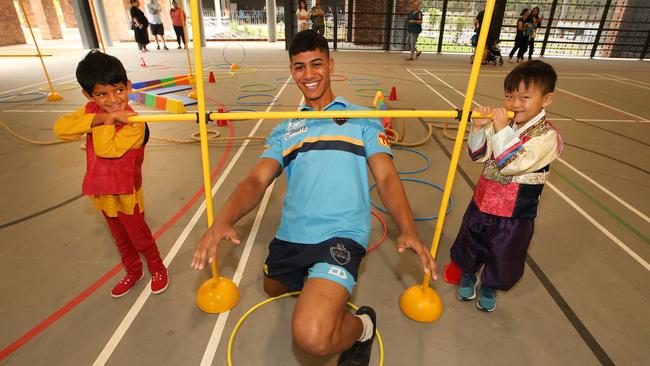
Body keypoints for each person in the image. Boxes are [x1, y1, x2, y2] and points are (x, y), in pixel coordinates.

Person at [191, 30, 436, 365]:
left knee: (312, 335)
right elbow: (256, 179)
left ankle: (363, 327)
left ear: (331, 65)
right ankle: (316, 281)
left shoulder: (362, 119)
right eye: (299, 67)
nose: (309, 75)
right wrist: (222, 220)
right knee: (272, 287)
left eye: (316, 64)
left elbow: (386, 176)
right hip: (292, 235)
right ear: (292, 71)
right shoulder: (284, 128)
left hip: (341, 235)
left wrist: (407, 227)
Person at [54, 51, 169, 298]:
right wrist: (102, 117)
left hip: (127, 193)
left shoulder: (135, 124)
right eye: (101, 94)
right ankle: (133, 271)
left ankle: (158, 268)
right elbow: (61, 129)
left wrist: (107, 121)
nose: (113, 99)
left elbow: (108, 150)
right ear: (89, 95)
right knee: (119, 238)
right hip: (102, 191)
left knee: (140, 238)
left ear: (128, 86)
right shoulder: (91, 111)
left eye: (118, 90)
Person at [449, 60, 562, 312]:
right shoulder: (502, 126)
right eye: (509, 96)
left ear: (547, 99)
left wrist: (499, 129)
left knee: (504, 253)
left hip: (515, 213)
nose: (514, 104)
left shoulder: (547, 136)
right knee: (471, 241)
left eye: (525, 97)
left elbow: (513, 163)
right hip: (483, 202)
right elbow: (478, 155)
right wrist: (479, 129)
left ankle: (489, 286)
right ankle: (468, 274)